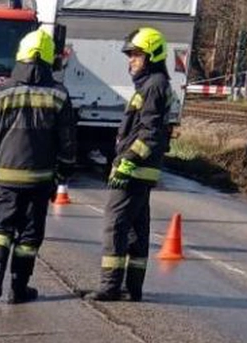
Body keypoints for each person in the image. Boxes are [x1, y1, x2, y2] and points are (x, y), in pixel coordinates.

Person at [0, 29, 75, 304]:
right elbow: (67, 142)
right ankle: (19, 288)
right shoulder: (59, 95)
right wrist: (63, 173)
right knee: (29, 235)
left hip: (5, 176)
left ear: (20, 55)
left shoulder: (0, 92)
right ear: (48, 59)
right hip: (40, 180)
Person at [88, 27, 173, 302]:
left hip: (134, 170)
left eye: (136, 55)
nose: (131, 61)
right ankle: (132, 287)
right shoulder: (153, 84)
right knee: (136, 228)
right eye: (131, 55)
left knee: (115, 225)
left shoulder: (154, 86)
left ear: (152, 56)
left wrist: (126, 163)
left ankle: (110, 286)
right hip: (142, 171)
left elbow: (149, 133)